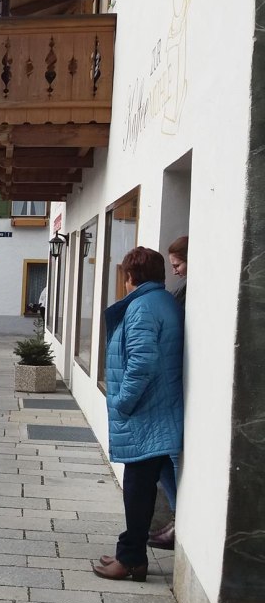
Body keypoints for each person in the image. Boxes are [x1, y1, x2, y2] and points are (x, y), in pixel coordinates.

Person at [94, 246, 184, 581]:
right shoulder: (161, 301)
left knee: (137, 488)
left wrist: (122, 403)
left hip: (147, 414)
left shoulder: (143, 307)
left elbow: (142, 364)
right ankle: (130, 552)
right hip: (158, 411)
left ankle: (132, 559)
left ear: (132, 275)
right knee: (151, 485)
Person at [149, 234, 189, 550]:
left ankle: (181, 523)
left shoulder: (188, 295)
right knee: (166, 459)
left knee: (172, 459)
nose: (175, 271)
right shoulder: (179, 294)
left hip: (177, 391)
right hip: (175, 390)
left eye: (178, 264)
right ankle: (178, 519)